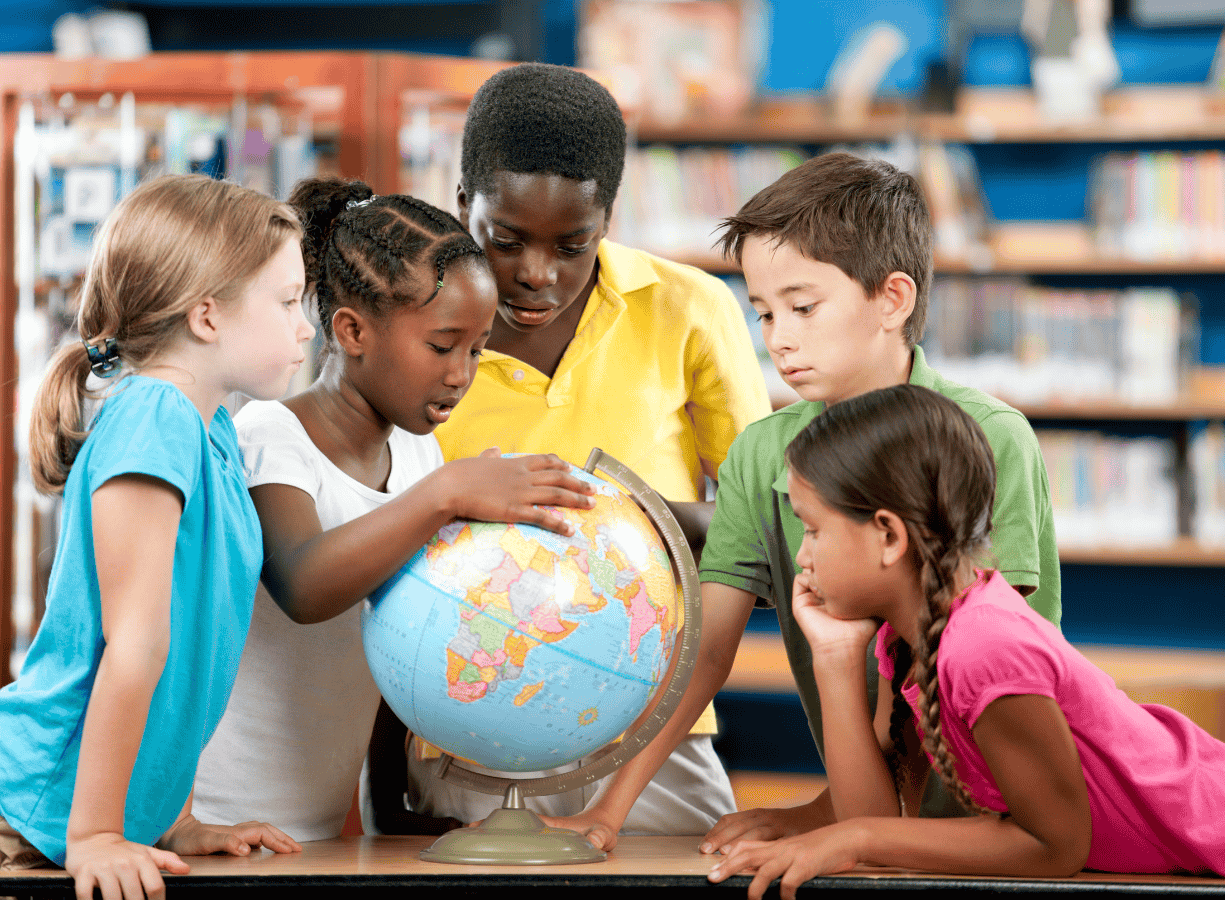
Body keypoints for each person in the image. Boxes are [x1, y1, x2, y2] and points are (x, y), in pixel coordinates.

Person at [551, 151, 1063, 852]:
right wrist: (607, 812)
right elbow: (704, 655)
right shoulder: (763, 453)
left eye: (803, 307)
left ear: (893, 298)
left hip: (1006, 826)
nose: (779, 339)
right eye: (762, 313)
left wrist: (840, 822)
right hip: (876, 818)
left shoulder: (989, 436)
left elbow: (969, 654)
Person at [367, 61, 771, 837]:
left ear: (610, 218)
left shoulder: (690, 311)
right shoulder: (410, 334)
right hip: (459, 716)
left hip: (651, 727)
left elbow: (761, 530)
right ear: (461, 206)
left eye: (572, 243)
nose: (536, 273)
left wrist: (624, 522)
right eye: (505, 240)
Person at [0, 173, 314, 900]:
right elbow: (136, 643)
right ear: (207, 316)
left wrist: (170, 820)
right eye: (285, 303)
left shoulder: (209, 426)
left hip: (71, 831)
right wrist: (97, 835)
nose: (305, 325)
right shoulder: (155, 415)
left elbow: (189, 655)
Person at [708, 384, 1225, 898]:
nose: (802, 557)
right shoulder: (909, 635)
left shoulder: (984, 647)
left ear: (889, 537)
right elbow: (871, 813)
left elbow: (1055, 846)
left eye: (814, 529)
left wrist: (854, 839)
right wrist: (833, 657)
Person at [190, 176, 596, 843]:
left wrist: (387, 805)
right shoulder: (269, 435)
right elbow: (302, 582)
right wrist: (446, 497)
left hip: (313, 828)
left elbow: (396, 645)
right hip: (213, 817)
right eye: (441, 346)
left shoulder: (417, 460)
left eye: (477, 348)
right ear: (352, 331)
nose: (461, 373)